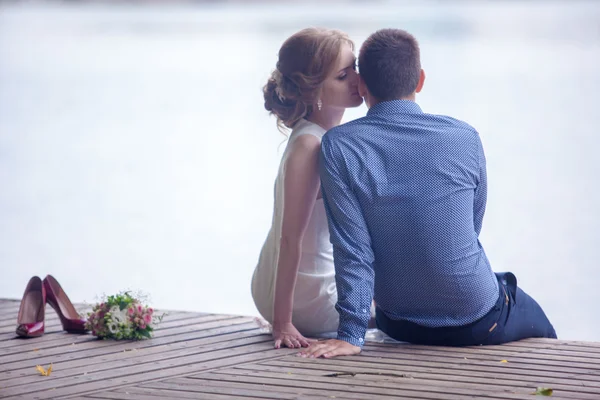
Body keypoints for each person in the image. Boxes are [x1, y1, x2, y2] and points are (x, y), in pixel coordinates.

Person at [300, 28, 557, 359]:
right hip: (477, 318)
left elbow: (353, 249)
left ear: (362, 87)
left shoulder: (339, 146)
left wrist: (351, 334)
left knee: (494, 280)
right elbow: (470, 224)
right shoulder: (464, 137)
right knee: (539, 323)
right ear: (420, 80)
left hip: (399, 322)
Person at [251, 27, 364, 349]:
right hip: (306, 298)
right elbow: (290, 240)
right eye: (343, 76)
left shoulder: (315, 135)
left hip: (282, 288)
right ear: (313, 90)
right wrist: (283, 322)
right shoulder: (310, 146)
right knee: (410, 304)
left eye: (355, 68)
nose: (357, 79)